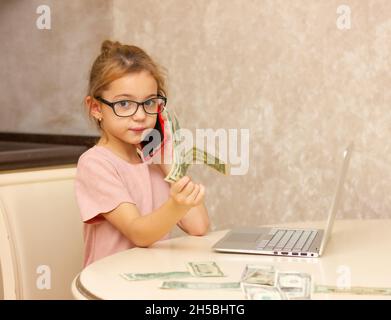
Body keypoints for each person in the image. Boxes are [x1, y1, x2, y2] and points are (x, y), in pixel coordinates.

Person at [75, 40, 209, 267]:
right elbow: (139, 233)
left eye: (149, 102)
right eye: (125, 103)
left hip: (148, 282)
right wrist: (176, 205)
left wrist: (170, 164)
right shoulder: (95, 164)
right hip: (111, 284)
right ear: (96, 108)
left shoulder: (153, 161)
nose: (140, 115)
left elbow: (199, 227)